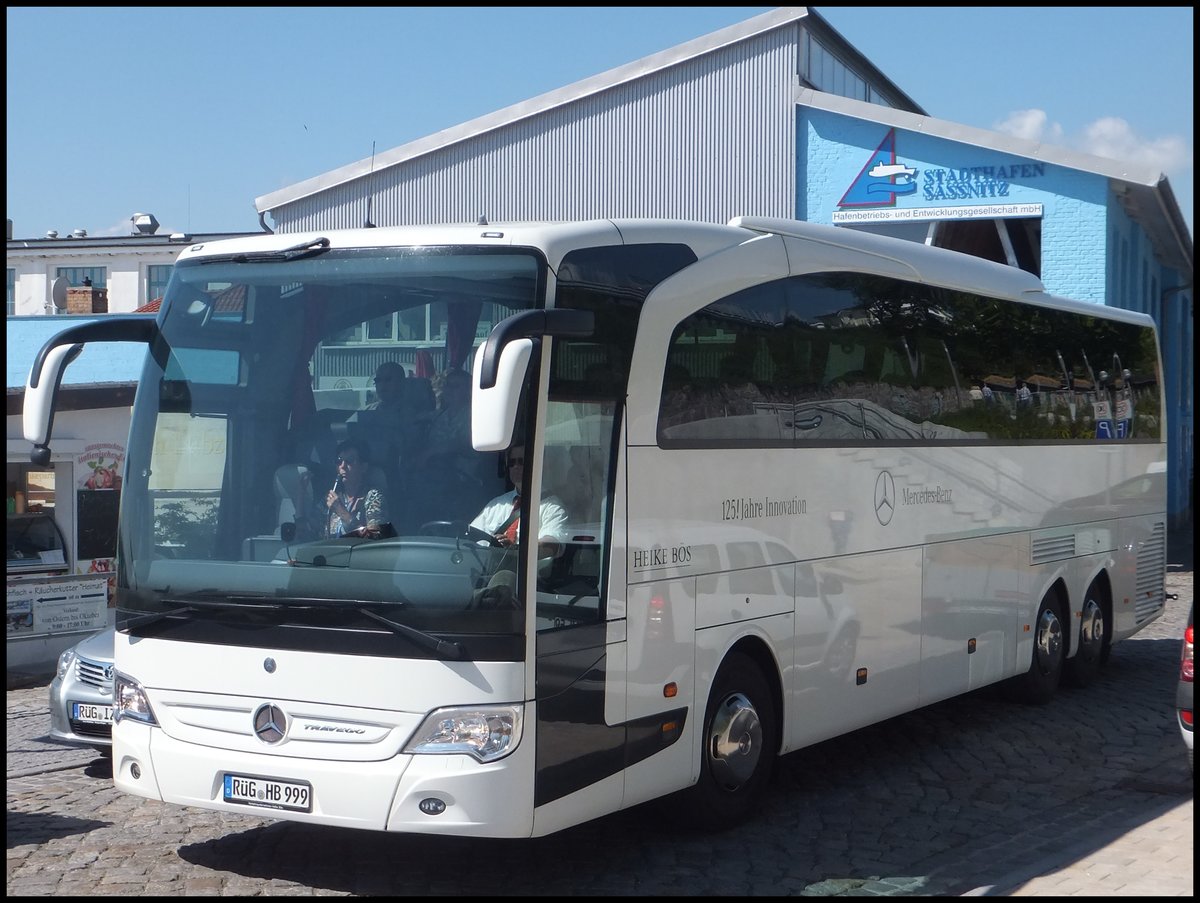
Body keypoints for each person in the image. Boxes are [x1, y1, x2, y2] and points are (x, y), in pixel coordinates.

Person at [468, 444, 569, 607]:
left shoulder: (552, 506)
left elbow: (552, 544)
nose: (516, 467)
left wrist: (515, 550)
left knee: (504, 578)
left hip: (528, 583)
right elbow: (471, 538)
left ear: (536, 464)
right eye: (512, 463)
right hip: (484, 576)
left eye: (522, 461)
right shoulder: (495, 505)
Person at [325, 439, 389, 538]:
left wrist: (342, 512)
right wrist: (301, 496)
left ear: (363, 467)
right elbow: (311, 535)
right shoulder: (332, 499)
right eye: (339, 460)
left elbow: (375, 539)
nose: (342, 466)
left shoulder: (373, 497)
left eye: (349, 461)